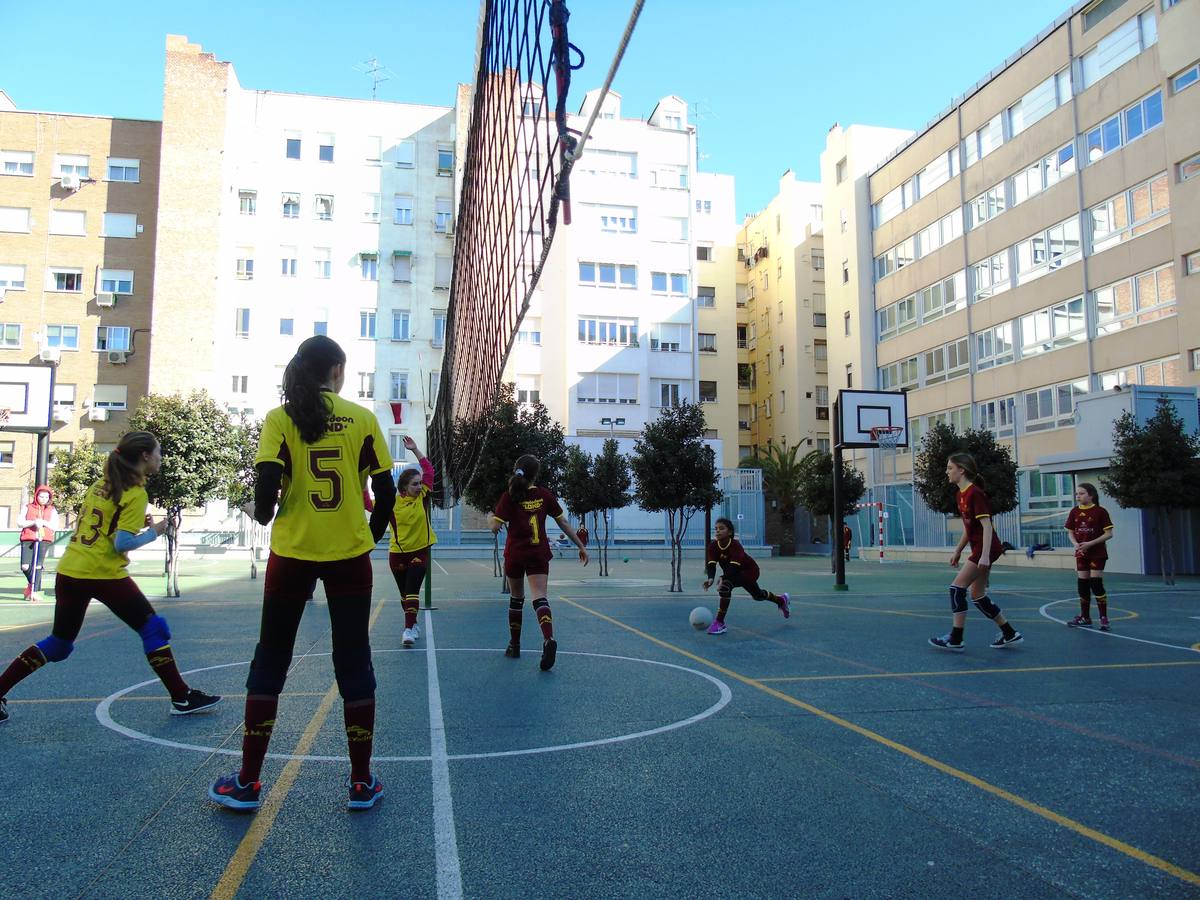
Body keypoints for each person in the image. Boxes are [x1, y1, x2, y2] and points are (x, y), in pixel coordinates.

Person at [209, 336, 396, 812]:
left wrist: (252, 505)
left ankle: (248, 782)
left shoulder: (279, 419)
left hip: (292, 554)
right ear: (336, 370)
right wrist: (368, 536)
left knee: (270, 659)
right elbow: (388, 494)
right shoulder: (363, 418)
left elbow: (267, 506)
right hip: (349, 556)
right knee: (354, 661)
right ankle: (360, 782)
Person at [0, 432, 220, 726]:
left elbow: (104, 523)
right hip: (102, 573)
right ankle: (181, 697)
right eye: (158, 452)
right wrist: (156, 531)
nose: (160, 458)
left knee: (60, 644)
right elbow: (121, 544)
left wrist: (128, 525)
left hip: (71, 570)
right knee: (153, 629)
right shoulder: (135, 493)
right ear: (144, 456)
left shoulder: (103, 483)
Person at [490, 454, 587, 671]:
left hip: (515, 554)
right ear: (536, 474)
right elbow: (562, 521)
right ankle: (548, 638)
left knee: (516, 598)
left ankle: (514, 645)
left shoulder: (510, 496)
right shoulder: (544, 495)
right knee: (540, 597)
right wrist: (580, 545)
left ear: (517, 470)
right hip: (538, 554)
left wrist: (492, 518)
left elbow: (495, 527)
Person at [929, 453, 1023, 651]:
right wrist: (957, 551)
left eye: (950, 468)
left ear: (961, 470)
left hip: (986, 549)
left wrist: (985, 556)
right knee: (978, 595)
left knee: (956, 589)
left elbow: (987, 526)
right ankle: (1009, 632)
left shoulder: (975, 493)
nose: (947, 472)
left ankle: (956, 638)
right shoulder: (960, 494)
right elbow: (969, 528)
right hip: (981, 549)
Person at [701, 517, 790, 634]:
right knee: (758, 595)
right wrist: (711, 579)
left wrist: (723, 578)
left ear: (730, 532)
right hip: (734, 573)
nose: (717, 531)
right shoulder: (713, 547)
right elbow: (711, 565)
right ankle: (781, 600)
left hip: (750, 571)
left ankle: (719, 623)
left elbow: (734, 568)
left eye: (721, 528)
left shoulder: (735, 546)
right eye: (716, 529)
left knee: (725, 586)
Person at [389, 436, 435, 649]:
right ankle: (413, 623)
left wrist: (416, 450)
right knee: (404, 595)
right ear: (404, 488)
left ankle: (407, 630)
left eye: (419, 483)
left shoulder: (423, 497)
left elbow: (429, 472)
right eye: (414, 484)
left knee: (412, 591)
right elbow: (369, 505)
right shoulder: (391, 503)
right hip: (397, 554)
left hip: (420, 551)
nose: (419, 486)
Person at [1065, 482, 1115, 631]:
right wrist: (1075, 544)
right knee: (1083, 584)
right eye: (1077, 494)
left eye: (1081, 493)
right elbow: (1070, 531)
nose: (1078, 496)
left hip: (1097, 553)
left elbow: (1109, 534)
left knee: (1096, 583)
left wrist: (1090, 543)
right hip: (1081, 553)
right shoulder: (1074, 511)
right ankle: (1085, 617)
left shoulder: (1100, 511)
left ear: (1091, 495)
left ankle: (1103, 618)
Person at [18, 484, 58, 601]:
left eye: (46, 497)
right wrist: (33, 522)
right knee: (25, 566)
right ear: (36, 496)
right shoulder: (28, 507)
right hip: (28, 538)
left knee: (38, 565)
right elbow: (20, 522)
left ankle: (34, 591)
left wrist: (44, 522)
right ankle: (31, 585)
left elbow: (54, 525)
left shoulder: (52, 510)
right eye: (41, 496)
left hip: (43, 539)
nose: (43, 499)